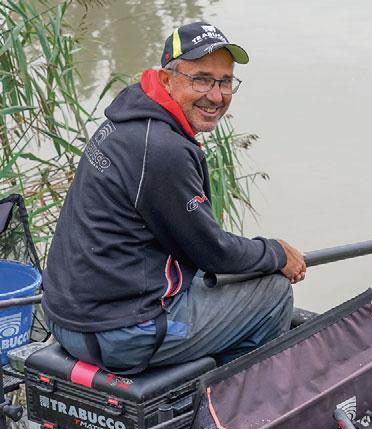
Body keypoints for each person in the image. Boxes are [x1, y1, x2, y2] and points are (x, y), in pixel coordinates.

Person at [42, 22, 306, 372]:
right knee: (272, 293)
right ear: (167, 79)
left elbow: (197, 248)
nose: (216, 96)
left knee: (223, 277)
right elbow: (213, 252)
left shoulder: (131, 117)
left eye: (225, 82)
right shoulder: (163, 149)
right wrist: (276, 253)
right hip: (116, 333)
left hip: (66, 314)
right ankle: (227, 402)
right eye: (201, 79)